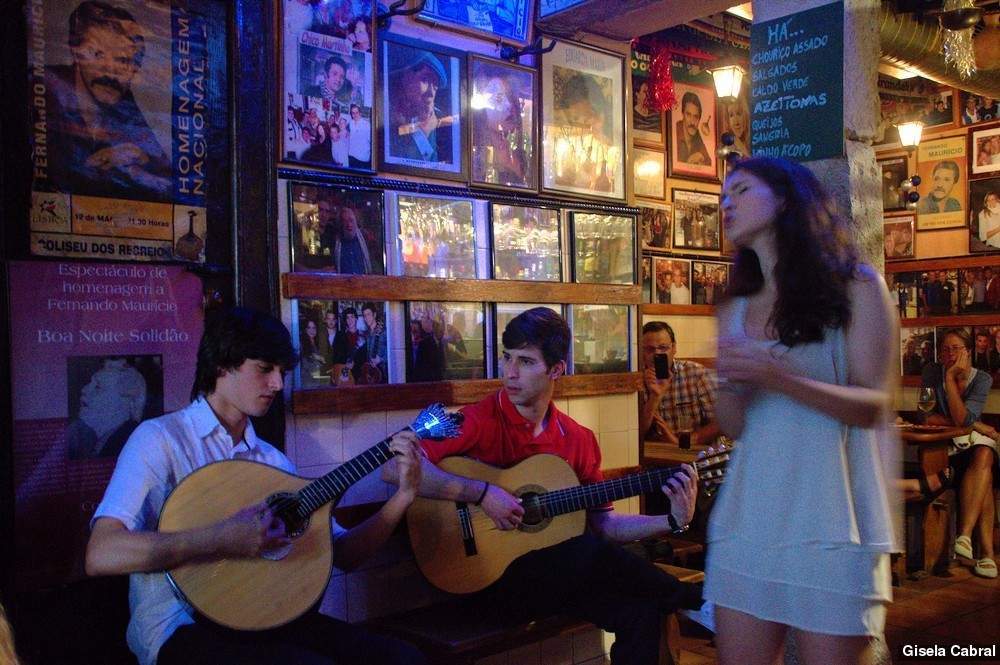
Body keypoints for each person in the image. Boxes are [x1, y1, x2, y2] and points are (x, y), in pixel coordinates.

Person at [84, 307, 427, 665]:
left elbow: (344, 555)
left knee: (402, 658)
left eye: (281, 372)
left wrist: (403, 497)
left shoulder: (271, 461)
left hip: (266, 618)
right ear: (222, 365)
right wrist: (222, 538)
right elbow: (101, 553)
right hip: (179, 626)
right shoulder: (161, 439)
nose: (277, 384)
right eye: (264, 369)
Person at [383, 308, 707, 664]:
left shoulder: (578, 439)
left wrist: (671, 521)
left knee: (641, 610)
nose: (509, 372)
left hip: (558, 581)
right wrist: (482, 493)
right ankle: (695, 601)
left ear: (556, 369)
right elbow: (392, 468)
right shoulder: (477, 419)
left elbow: (604, 525)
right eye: (507, 357)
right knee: (583, 549)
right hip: (483, 582)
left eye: (525, 361)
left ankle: (689, 601)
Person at [708, 157, 898, 664]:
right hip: (748, 518)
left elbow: (874, 407)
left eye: (741, 190)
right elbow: (733, 427)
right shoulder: (733, 306)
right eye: (722, 196)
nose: (726, 204)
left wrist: (780, 378)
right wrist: (730, 385)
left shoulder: (857, 288)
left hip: (833, 523)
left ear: (785, 198)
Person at [45, 0, 172, 201]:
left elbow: (166, 173)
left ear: (135, 68)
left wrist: (141, 156)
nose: (110, 71)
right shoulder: (45, 87)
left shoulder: (123, 101)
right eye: (98, 54)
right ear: (75, 52)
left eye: (123, 60)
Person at [909, 328, 997, 579]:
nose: (949, 354)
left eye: (955, 349)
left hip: (973, 447)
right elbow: (925, 415)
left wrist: (966, 422)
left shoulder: (982, 379)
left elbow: (962, 419)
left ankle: (965, 535)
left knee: (984, 455)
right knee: (984, 475)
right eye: (945, 349)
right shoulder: (932, 372)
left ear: (967, 352)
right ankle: (986, 554)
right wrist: (975, 423)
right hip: (946, 449)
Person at [640, 321, 720, 447]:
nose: (657, 354)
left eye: (663, 348)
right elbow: (636, 433)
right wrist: (654, 397)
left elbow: (719, 423)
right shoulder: (636, 381)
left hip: (694, 452)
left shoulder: (696, 373)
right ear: (641, 352)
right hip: (654, 453)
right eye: (650, 349)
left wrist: (681, 443)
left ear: (674, 348)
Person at [67, 357, 148, 459]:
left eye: (98, 386)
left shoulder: (132, 448)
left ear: (129, 401)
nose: (84, 390)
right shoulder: (76, 435)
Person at [388, 50, 453, 163]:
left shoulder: (443, 122)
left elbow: (436, 163)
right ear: (406, 79)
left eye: (435, 84)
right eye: (425, 80)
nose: (431, 92)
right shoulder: (388, 117)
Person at [333, 206, 373, 274]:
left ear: (356, 221)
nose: (349, 224)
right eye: (345, 221)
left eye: (351, 220)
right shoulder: (335, 244)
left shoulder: (367, 240)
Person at [675, 91, 710, 166]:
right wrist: (688, 162)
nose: (692, 122)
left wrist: (702, 158)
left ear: (699, 119)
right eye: (688, 115)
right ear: (682, 114)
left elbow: (709, 163)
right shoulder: (675, 131)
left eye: (696, 117)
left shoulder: (697, 134)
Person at [359, 302, 387, 385]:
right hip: (371, 375)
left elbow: (393, 351)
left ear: (374, 315)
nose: (366, 318)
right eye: (364, 315)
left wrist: (381, 359)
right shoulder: (367, 334)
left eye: (368, 314)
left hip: (382, 374)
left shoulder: (384, 332)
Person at [346, 104, 372, 169]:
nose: (355, 115)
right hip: (351, 156)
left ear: (360, 113)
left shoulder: (367, 125)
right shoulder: (351, 123)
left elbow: (371, 141)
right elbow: (348, 134)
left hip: (362, 158)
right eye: (353, 113)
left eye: (356, 112)